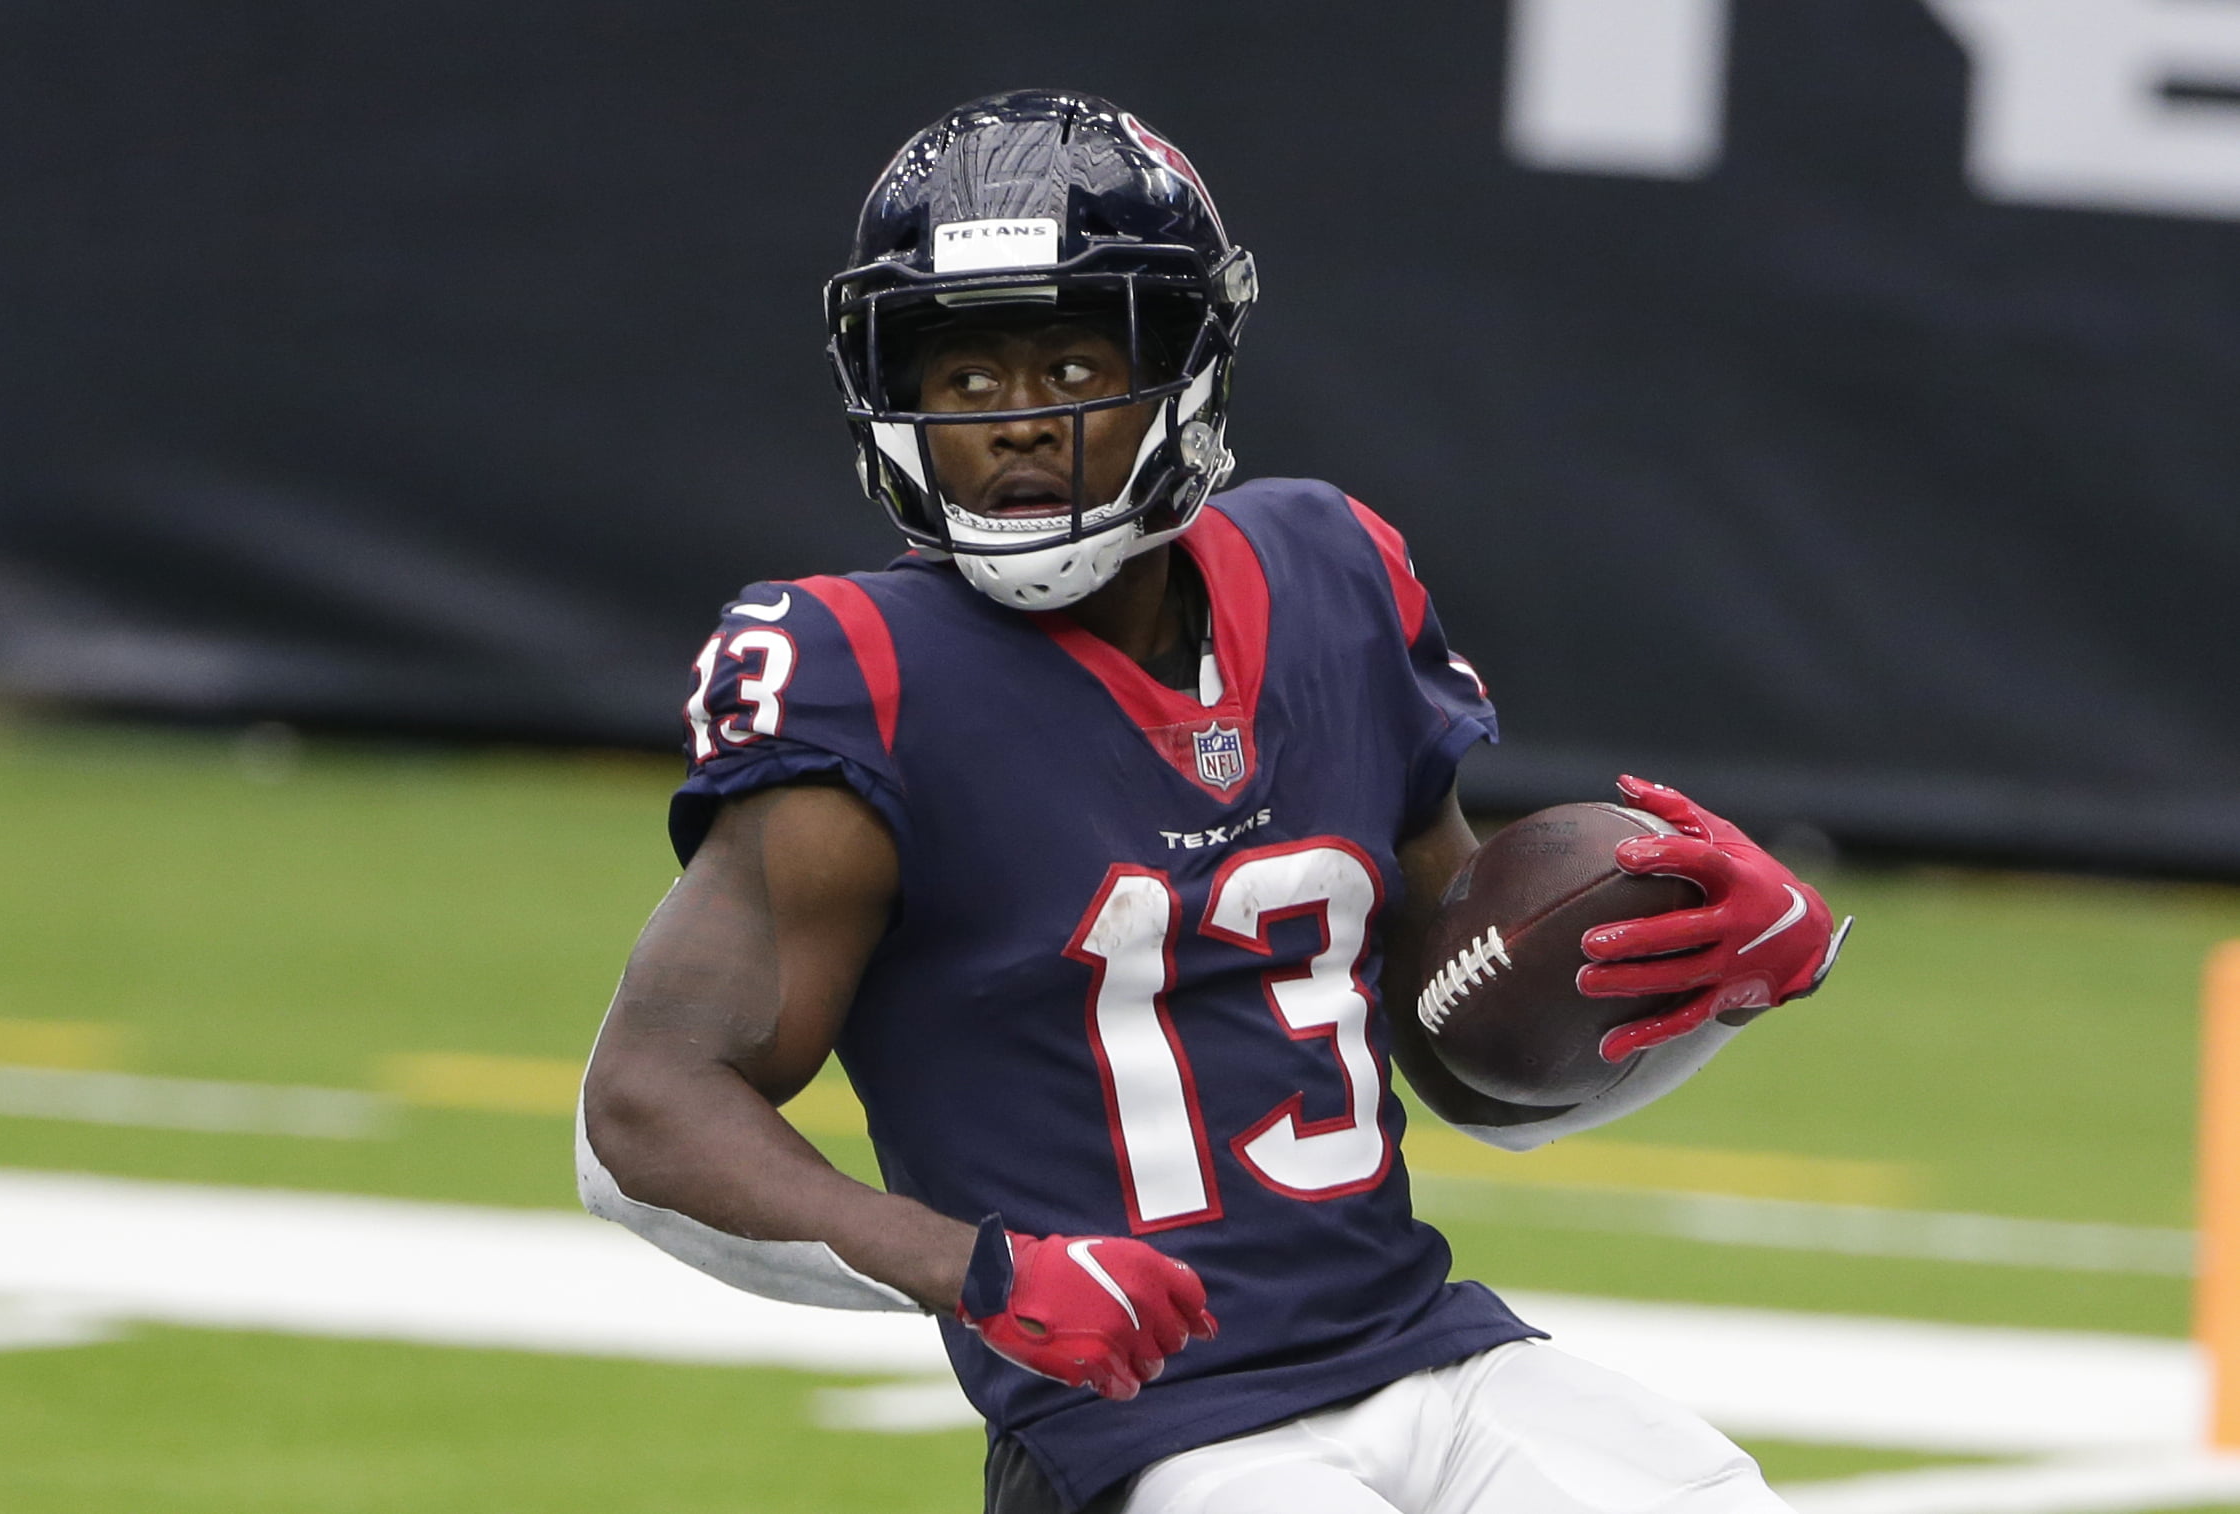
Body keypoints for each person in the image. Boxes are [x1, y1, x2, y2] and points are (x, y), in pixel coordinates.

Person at [577, 90, 1849, 1514]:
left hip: (1420, 1351)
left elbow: (1473, 1062)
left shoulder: (1332, 574)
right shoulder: (859, 671)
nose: (1016, 425)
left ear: (1186, 367)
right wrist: (972, 1270)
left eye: (1071, 364)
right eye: (966, 378)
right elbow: (642, 1113)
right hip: (1145, 1431)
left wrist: (1717, 971)